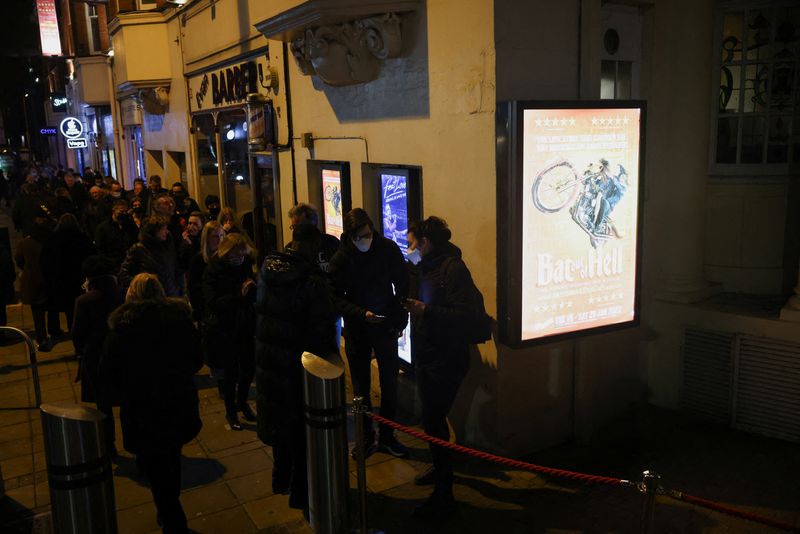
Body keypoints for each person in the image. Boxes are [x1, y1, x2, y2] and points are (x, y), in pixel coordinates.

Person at [102, 273, 202, 534]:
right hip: (177, 401)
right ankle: (169, 506)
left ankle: (172, 517)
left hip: (142, 408)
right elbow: (196, 358)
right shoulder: (179, 320)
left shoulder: (122, 329)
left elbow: (108, 372)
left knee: (156, 464)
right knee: (170, 456)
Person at [255, 224, 338, 510]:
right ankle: (302, 494)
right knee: (303, 434)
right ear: (313, 247)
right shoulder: (311, 282)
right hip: (298, 366)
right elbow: (323, 330)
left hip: (269, 362)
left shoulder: (269, 270)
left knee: (280, 424)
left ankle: (281, 479)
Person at [403, 217, 473, 517]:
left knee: (433, 421)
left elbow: (463, 315)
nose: (409, 247)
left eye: (411, 242)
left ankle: (444, 494)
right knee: (432, 421)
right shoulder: (423, 266)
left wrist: (425, 311)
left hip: (446, 359)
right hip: (427, 355)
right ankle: (440, 472)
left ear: (425, 242)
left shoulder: (453, 269)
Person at [329, 208, 409, 458]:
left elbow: (402, 281)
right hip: (358, 327)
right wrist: (360, 313)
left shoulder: (387, 249)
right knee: (361, 388)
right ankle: (365, 437)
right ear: (350, 236)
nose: (365, 239)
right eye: (360, 236)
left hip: (384, 323)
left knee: (389, 385)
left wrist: (399, 314)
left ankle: (387, 436)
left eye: (368, 233)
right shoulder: (341, 259)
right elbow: (333, 297)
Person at [202, 233, 257, 430]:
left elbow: (252, 290)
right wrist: (238, 294)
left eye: (242, 255)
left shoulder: (245, 264)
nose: (239, 259)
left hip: (245, 324)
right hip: (225, 327)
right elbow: (212, 302)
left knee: (249, 367)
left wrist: (253, 289)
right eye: (236, 255)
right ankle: (231, 411)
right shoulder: (214, 270)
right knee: (230, 372)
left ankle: (242, 403)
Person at [72, 255, 125, 456]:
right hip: (121, 353)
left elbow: (77, 333)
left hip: (96, 357)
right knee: (128, 399)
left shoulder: (84, 301)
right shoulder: (122, 294)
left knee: (103, 405)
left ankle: (109, 445)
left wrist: (81, 351)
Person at [41, 213, 95, 332]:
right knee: (72, 306)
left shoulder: (52, 239)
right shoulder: (81, 238)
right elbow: (91, 256)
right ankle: (73, 327)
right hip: (76, 277)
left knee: (54, 305)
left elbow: (45, 259)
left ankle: (54, 329)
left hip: (57, 277)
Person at [15, 217, 59, 351]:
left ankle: (41, 338)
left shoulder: (24, 243)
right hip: (49, 279)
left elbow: (18, 260)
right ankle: (54, 330)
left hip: (33, 281)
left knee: (38, 312)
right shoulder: (51, 241)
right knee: (52, 307)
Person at [118, 216, 181, 297]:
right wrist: (145, 285)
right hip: (150, 298)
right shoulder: (139, 249)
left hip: (170, 296)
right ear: (154, 231)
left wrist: (178, 290)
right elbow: (123, 275)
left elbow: (175, 270)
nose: (167, 232)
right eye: (163, 229)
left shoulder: (168, 248)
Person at [95, 200, 139, 270]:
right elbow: (100, 248)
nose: (124, 214)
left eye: (125, 211)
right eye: (121, 211)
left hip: (129, 262)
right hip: (112, 264)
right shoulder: (103, 227)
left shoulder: (129, 224)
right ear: (114, 210)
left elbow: (136, 238)